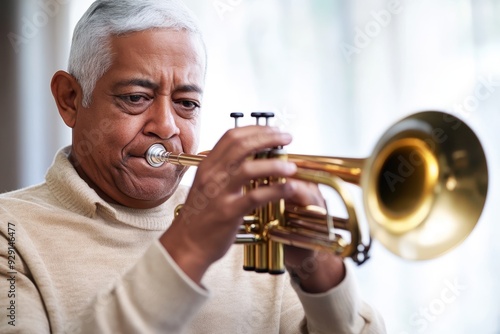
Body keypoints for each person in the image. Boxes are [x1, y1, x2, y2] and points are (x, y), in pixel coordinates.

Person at [0, 0, 385, 333]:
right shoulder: (9, 232)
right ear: (69, 99)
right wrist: (190, 246)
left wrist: (319, 272)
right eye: (135, 97)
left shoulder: (254, 224)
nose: (166, 126)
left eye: (186, 103)